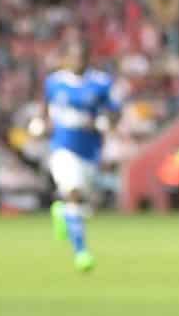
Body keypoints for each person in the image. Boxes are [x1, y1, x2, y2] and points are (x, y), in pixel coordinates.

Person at [31, 38, 117, 273]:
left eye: (82, 57)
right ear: (65, 59)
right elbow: (45, 108)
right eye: (73, 57)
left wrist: (103, 123)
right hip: (62, 148)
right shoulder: (55, 82)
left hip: (90, 150)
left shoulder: (100, 83)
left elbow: (114, 113)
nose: (77, 61)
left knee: (79, 201)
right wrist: (40, 124)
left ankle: (61, 211)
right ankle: (82, 253)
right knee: (74, 193)